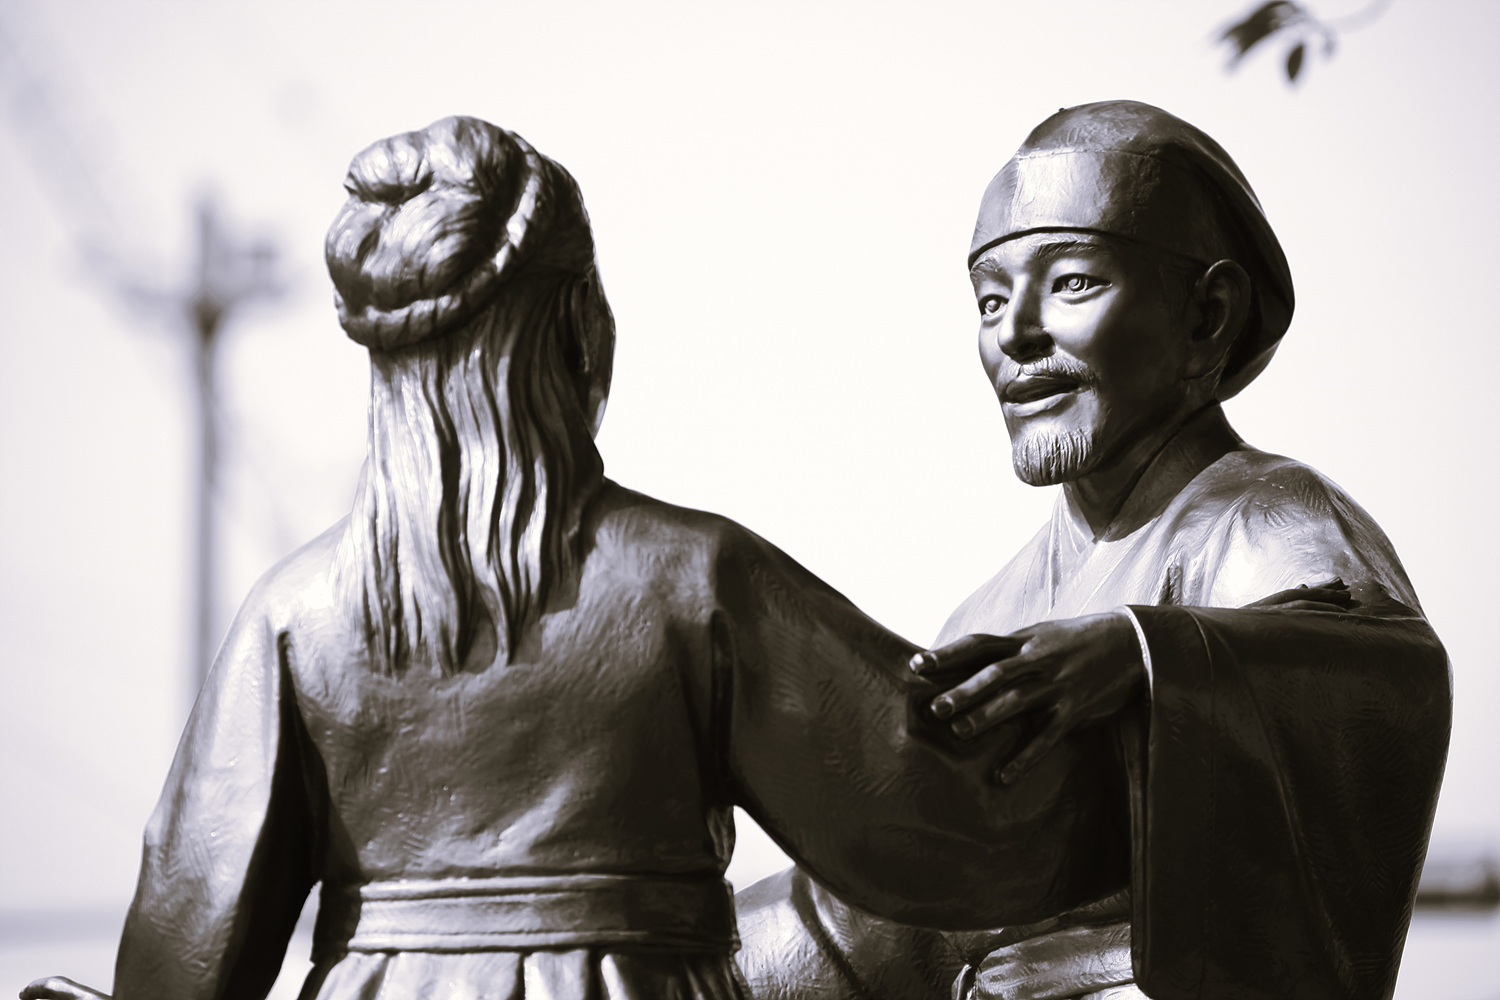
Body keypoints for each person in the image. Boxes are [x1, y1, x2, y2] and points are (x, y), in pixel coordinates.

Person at [22, 116, 1150, 1000]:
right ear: (580, 331)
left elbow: (191, 915)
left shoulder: (294, 615)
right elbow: (944, 825)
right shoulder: (695, 580)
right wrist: (1162, 696)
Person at [734, 101, 1451, 1000]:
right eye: (990, 300)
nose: (1015, 335)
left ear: (1208, 315)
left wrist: (1142, 654)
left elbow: (1387, 678)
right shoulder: (989, 609)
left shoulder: (1267, 519)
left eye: (1072, 283)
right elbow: (905, 900)